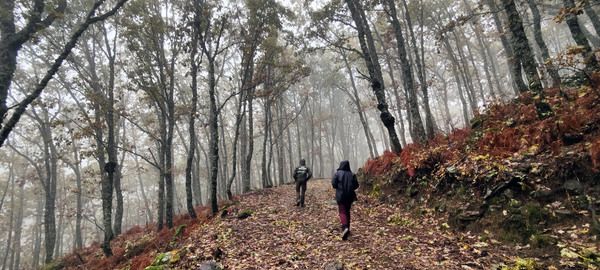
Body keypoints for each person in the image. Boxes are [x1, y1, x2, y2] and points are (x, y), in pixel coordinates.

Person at [331, 160, 359, 240]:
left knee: (342, 212)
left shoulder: (337, 174)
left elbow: (333, 184)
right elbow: (356, 185)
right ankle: (348, 229)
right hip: (350, 196)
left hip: (341, 196)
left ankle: (345, 227)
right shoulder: (352, 174)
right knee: (347, 211)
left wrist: (339, 187)